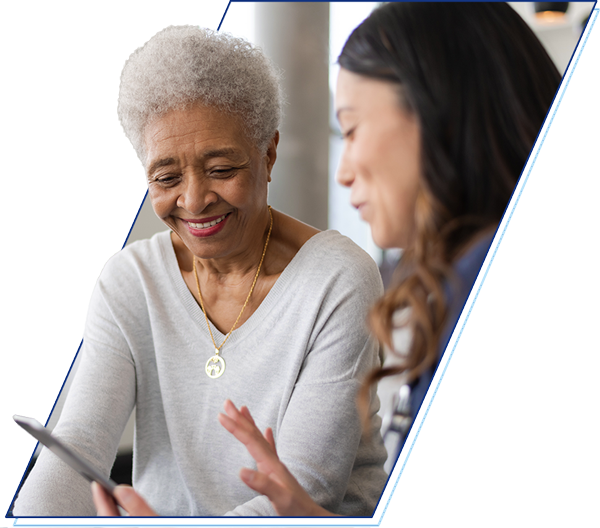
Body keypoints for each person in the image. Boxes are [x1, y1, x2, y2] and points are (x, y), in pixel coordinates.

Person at [94, 2, 561, 517]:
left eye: (353, 129)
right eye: (165, 177)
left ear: (440, 121)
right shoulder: (465, 284)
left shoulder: (486, 291)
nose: (342, 173)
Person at [12, 24, 388, 517]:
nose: (193, 201)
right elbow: (80, 443)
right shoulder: (131, 282)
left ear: (268, 153)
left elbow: (304, 492)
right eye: (166, 177)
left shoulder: (338, 281)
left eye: (222, 170)